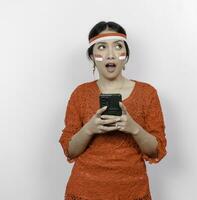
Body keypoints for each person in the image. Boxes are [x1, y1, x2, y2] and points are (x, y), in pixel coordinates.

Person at [59, 21, 168, 200]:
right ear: (92, 56)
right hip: (85, 191)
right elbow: (70, 151)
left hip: (133, 191)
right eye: (102, 47)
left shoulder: (147, 93)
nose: (110, 54)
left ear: (125, 55)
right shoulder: (80, 94)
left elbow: (156, 151)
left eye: (118, 46)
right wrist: (90, 128)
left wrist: (133, 127)